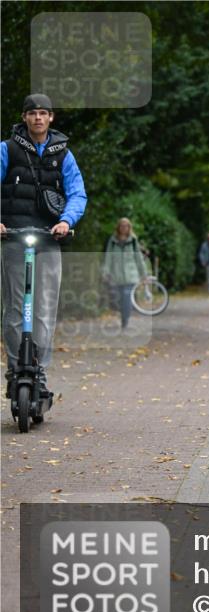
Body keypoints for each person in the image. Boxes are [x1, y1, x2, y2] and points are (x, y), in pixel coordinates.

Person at [1, 93, 87, 399]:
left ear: (51, 118)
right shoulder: (7, 149)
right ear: (24, 118)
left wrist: (66, 221)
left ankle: (38, 370)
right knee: (14, 308)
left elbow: (78, 193)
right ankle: (15, 368)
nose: (38, 118)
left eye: (43, 113)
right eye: (32, 113)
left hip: (49, 238)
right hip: (13, 236)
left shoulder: (64, 155)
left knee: (44, 308)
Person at [102, 217, 147, 331]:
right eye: (122, 225)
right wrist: (105, 272)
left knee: (127, 299)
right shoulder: (112, 241)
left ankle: (125, 321)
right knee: (119, 300)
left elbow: (139, 258)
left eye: (126, 226)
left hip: (130, 276)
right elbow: (108, 257)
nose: (124, 228)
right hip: (116, 276)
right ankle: (123, 317)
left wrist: (144, 274)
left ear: (129, 227)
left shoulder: (133, 241)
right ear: (118, 227)